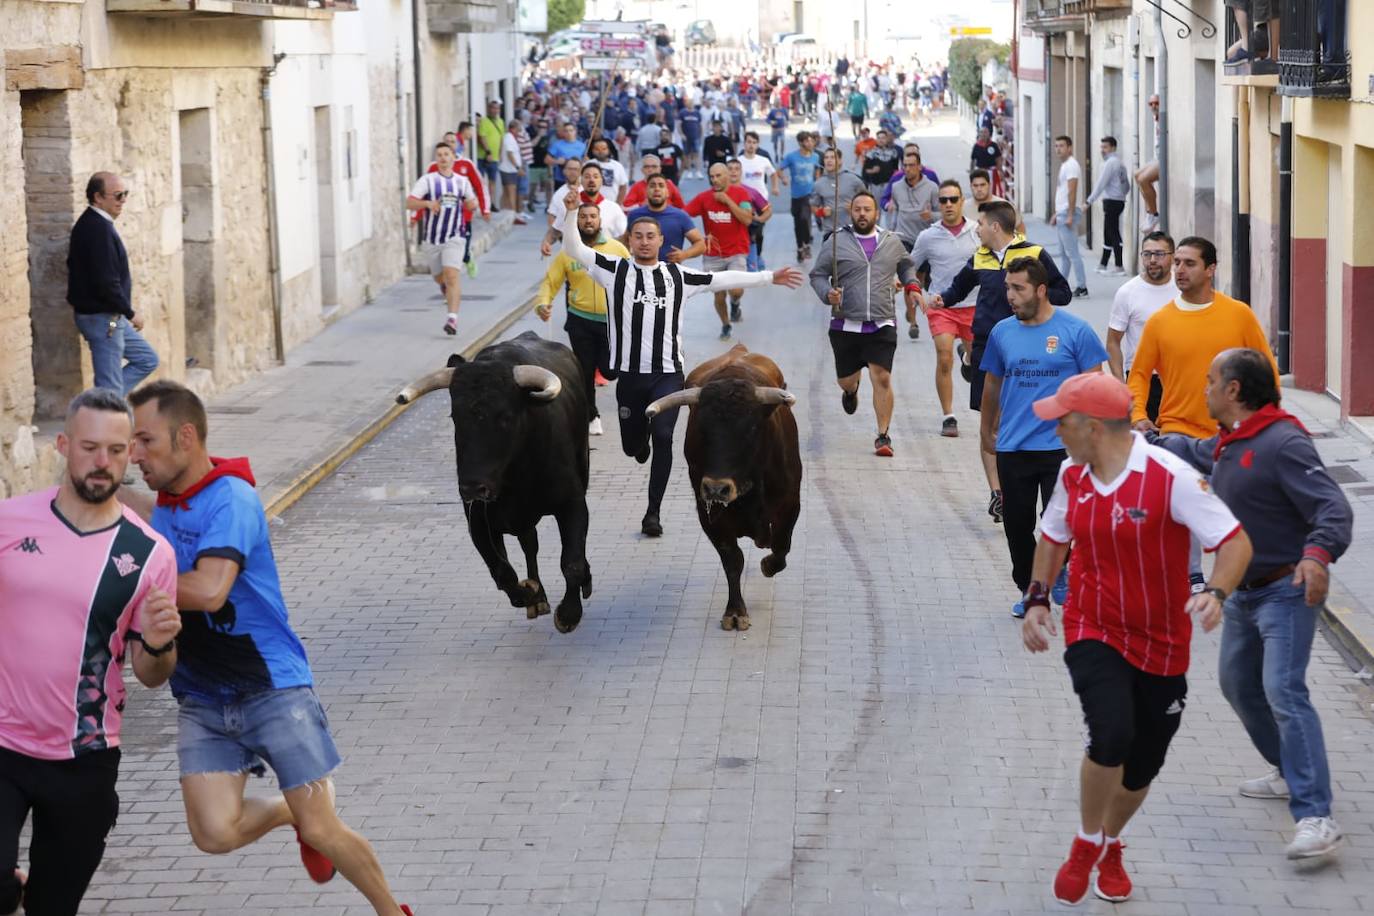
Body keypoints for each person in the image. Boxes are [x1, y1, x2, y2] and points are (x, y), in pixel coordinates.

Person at [124, 381, 414, 916]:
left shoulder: (231, 497)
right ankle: (286, 811)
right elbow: (120, 500)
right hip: (204, 702)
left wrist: (129, 584)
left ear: (185, 437)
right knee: (213, 834)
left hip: (274, 690)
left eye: (144, 440)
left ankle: (391, 911)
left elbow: (211, 591)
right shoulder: (163, 504)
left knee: (324, 829)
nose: (134, 455)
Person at [1021, 371, 1252, 906]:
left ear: (1092, 427)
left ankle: (1110, 841)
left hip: (1162, 639)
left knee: (1145, 759)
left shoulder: (1169, 476)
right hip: (1093, 624)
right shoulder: (1071, 475)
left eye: (1062, 423)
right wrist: (1037, 599)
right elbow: (1054, 538)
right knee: (1111, 733)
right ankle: (1085, 844)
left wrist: (1216, 593)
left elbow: (1234, 541)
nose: (1055, 432)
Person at [1152, 348, 1351, 861]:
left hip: (1286, 590)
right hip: (1242, 591)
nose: (1205, 389)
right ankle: (1289, 770)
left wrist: (1317, 556)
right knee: (1238, 685)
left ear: (1234, 390)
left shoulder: (1283, 442)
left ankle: (1315, 816)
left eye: (1210, 380)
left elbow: (1334, 508)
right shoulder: (1231, 441)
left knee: (1283, 691)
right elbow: (1199, 453)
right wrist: (1149, 440)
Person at [0, 389, 180, 916]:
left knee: (53, 908)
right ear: (63, 445)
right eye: (90, 447)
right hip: (4, 745)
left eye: (117, 450)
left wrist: (160, 640)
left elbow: (151, 675)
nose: (103, 463)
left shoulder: (148, 553)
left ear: (130, 454)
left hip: (85, 759)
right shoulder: (8, 523)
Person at [558, 190, 804, 537]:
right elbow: (574, 249)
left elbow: (722, 279)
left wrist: (767, 277)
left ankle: (653, 513)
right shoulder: (612, 269)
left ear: (661, 241)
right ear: (629, 241)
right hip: (629, 377)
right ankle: (637, 444)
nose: (644, 242)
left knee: (663, 437)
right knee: (633, 447)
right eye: (638, 237)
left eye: (651, 237)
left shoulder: (679, 276)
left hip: (667, 375)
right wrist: (570, 214)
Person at [979, 257, 1107, 615]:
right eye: (1007, 288)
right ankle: (1028, 588)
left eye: (1018, 288)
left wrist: (1096, 439)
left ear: (1040, 290)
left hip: (1063, 449)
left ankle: (1059, 570)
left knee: (1064, 521)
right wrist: (986, 429)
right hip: (1013, 445)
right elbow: (992, 384)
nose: (1010, 296)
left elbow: (1094, 386)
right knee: (1017, 526)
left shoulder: (1076, 331)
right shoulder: (1002, 332)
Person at [1128, 236, 1278, 438]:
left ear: (1210, 269)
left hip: (1233, 430)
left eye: (1190, 264)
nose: (1180, 270)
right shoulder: (1159, 321)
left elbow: (1266, 367)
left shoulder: (1239, 314)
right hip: (1177, 430)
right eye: (1177, 262)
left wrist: (1270, 415)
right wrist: (1138, 415)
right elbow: (1139, 373)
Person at [808, 191, 921, 457]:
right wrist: (827, 293)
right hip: (845, 324)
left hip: (882, 323)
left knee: (881, 377)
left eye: (867, 209)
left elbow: (906, 266)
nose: (862, 214)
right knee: (846, 381)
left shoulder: (891, 241)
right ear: (851, 213)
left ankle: (883, 436)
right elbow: (818, 275)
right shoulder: (836, 241)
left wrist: (912, 285)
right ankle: (852, 390)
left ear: (876, 213)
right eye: (857, 209)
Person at [535, 202, 630, 436]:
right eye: (584, 216)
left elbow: (633, 281)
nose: (588, 221)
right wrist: (543, 303)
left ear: (600, 221)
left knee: (610, 371)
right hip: (580, 320)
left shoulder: (617, 249)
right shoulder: (568, 252)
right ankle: (591, 415)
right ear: (577, 221)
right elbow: (551, 281)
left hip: (611, 322)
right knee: (585, 371)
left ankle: (606, 371)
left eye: (593, 217)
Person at [68, 171, 160, 394]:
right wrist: (130, 312)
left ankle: (104, 402)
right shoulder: (96, 229)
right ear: (98, 197)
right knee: (110, 386)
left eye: (125, 194)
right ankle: (106, 414)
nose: (123, 201)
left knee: (147, 360)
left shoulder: (98, 225)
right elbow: (106, 282)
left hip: (110, 319)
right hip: (103, 319)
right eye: (118, 195)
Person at [909, 181, 979, 437]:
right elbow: (910, 266)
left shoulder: (977, 231)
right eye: (943, 200)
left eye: (953, 199)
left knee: (977, 363)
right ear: (938, 204)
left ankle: (968, 358)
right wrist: (911, 288)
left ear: (962, 201)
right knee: (943, 356)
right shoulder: (928, 235)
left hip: (973, 306)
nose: (948, 204)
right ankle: (948, 415)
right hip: (941, 305)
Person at [406, 142, 478, 336]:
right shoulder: (427, 181)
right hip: (432, 238)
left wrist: (472, 204)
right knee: (439, 277)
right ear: (436, 159)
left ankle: (452, 319)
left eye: (447, 154)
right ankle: (444, 286)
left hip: (455, 236)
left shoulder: (462, 182)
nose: (443, 158)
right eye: (439, 155)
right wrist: (428, 203)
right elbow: (410, 203)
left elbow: (473, 202)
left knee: (451, 274)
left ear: (454, 157)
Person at [1106, 232, 1178, 423]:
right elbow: (1113, 342)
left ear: (1172, 256)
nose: (1152, 260)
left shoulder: (1183, 289)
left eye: (1159, 254)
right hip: (1143, 379)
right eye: (1147, 254)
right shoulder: (1127, 293)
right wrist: (1121, 385)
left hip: (1180, 378)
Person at [685, 163, 756, 340]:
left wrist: (727, 201)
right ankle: (725, 324)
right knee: (718, 292)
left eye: (718, 176)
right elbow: (684, 216)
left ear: (727, 176)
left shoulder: (741, 194)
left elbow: (747, 220)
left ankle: (735, 302)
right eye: (712, 176)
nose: (714, 180)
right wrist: (696, 237)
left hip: (736, 251)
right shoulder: (703, 198)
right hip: (713, 254)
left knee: (736, 289)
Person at [541, 162, 627, 256]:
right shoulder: (571, 206)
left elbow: (623, 236)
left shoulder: (613, 208)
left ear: (602, 180)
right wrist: (546, 242)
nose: (591, 180)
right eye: (587, 176)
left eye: (595, 176)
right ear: (580, 180)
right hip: (574, 262)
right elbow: (556, 230)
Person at [1050, 136, 1088, 297]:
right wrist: (1057, 213)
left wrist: (1070, 215)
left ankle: (1082, 286)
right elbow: (1064, 193)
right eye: (1056, 146)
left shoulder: (1071, 165)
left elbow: (1072, 191)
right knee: (1064, 253)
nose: (1058, 149)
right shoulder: (1066, 165)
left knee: (1072, 253)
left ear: (1070, 148)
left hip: (1068, 213)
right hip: (1063, 213)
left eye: (1062, 146)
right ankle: (1062, 285)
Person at [727, 158, 774, 286]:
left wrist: (758, 220)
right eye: (730, 169)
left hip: (748, 242)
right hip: (726, 245)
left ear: (741, 172)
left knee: (751, 278)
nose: (733, 172)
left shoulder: (751, 192)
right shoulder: (720, 193)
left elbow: (768, 210)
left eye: (737, 169)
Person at [1086, 137, 1130, 275]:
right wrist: (1122, 195)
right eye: (1101, 147)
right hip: (1117, 200)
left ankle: (1119, 266)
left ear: (1113, 147)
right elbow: (1126, 185)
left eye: (1105, 147)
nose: (1102, 150)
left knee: (1113, 232)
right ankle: (1103, 264)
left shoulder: (1111, 163)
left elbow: (1101, 183)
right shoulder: (1120, 163)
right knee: (1108, 232)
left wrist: (1089, 201)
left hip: (1112, 201)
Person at [885, 147, 939, 249]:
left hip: (924, 240)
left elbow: (942, 215)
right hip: (903, 239)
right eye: (905, 166)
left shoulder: (932, 187)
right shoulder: (896, 187)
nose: (908, 169)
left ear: (919, 167)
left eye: (911, 165)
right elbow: (896, 211)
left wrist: (931, 215)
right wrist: (891, 232)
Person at [779, 131, 821, 261]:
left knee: (805, 219)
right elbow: (779, 169)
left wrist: (818, 183)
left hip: (809, 194)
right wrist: (784, 178)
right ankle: (800, 248)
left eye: (812, 141)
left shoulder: (815, 156)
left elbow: (818, 169)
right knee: (798, 223)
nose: (811, 143)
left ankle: (807, 244)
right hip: (796, 195)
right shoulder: (792, 157)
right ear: (801, 143)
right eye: (808, 141)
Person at [811, 146, 866, 236]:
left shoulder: (853, 180)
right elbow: (813, 207)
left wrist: (856, 208)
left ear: (840, 161)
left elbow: (868, 201)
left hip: (852, 230)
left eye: (833, 157)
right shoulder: (819, 184)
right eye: (826, 157)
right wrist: (821, 212)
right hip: (830, 232)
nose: (829, 160)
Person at [621, 155, 686, 210]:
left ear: (660, 169)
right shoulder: (637, 186)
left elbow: (681, 207)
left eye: (654, 166)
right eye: (647, 167)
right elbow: (626, 207)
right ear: (642, 170)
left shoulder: (669, 184)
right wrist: (642, 204)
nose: (650, 169)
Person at [1135, 95, 1161, 230]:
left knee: (1144, 179)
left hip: (1163, 158)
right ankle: (1149, 212)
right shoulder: (1155, 117)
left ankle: (1154, 213)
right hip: (1157, 157)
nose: (1153, 106)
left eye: (1156, 103)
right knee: (1137, 175)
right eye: (1150, 104)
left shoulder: (1164, 116)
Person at [498, 120, 529, 224]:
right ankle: (513, 215)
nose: (519, 131)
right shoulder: (509, 138)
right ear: (513, 128)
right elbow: (510, 154)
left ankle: (506, 213)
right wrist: (517, 168)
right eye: (518, 129)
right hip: (509, 169)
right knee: (511, 192)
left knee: (507, 193)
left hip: (509, 169)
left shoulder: (510, 138)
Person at [476, 99, 505, 209]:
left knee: (492, 181)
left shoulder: (501, 122)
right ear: (488, 109)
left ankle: (490, 203)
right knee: (481, 181)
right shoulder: (484, 121)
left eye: (497, 108)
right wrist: (488, 152)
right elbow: (482, 136)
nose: (495, 110)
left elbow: (501, 138)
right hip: (482, 156)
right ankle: (481, 203)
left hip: (495, 158)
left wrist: (500, 153)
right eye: (492, 108)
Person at [587, 137, 630, 204]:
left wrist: (618, 204)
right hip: (590, 205)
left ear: (609, 150)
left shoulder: (617, 166)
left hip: (611, 204)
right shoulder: (587, 164)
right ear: (592, 150)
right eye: (597, 149)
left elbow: (623, 187)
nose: (600, 151)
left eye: (604, 149)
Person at [680, 99, 704, 178]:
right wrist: (682, 134)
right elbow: (679, 125)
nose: (690, 104)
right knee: (687, 154)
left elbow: (700, 125)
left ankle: (698, 171)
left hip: (696, 136)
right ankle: (689, 171)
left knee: (697, 154)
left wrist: (701, 134)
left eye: (692, 103)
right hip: (686, 137)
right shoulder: (683, 112)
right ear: (687, 104)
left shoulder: (697, 113)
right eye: (689, 102)